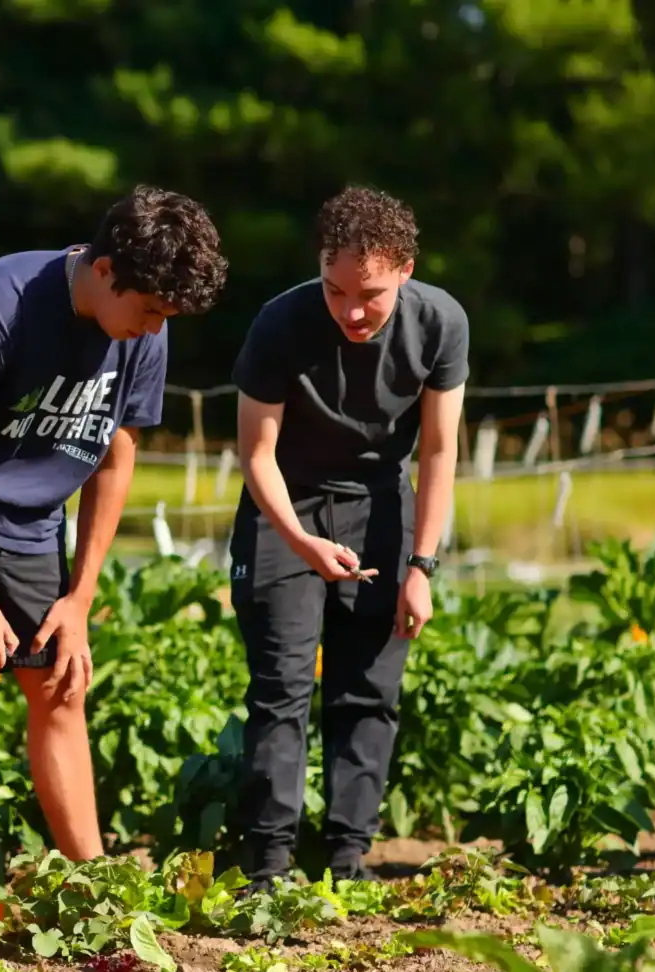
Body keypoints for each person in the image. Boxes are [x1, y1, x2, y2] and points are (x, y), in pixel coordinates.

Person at [0, 184, 228, 898]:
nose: (155, 330)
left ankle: (97, 883)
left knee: (60, 684)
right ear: (105, 269)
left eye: (167, 317)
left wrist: (79, 599)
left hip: (30, 517)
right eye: (149, 310)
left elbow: (116, 457)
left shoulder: (145, 327)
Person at [227, 185, 467, 888]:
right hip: (285, 506)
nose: (352, 311)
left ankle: (345, 857)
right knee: (282, 687)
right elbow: (255, 456)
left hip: (383, 506)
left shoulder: (442, 324)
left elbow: (438, 452)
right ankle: (268, 864)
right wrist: (302, 543)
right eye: (336, 291)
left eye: (372, 295)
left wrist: (421, 565)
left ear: (407, 271)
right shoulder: (280, 324)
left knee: (369, 689)